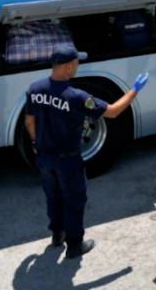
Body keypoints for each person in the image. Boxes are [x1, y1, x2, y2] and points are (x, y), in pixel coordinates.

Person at [23, 43, 148, 257]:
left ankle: (57, 235)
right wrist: (134, 90)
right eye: (77, 62)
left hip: (44, 157)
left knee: (53, 197)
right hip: (67, 161)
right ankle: (74, 246)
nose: (78, 65)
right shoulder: (77, 97)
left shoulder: (35, 89)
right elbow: (113, 111)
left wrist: (35, 142)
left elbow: (29, 121)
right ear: (69, 66)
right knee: (74, 200)